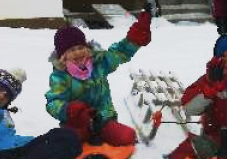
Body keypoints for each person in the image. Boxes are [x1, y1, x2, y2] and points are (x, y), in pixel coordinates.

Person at [45, 10, 152, 145]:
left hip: (104, 117)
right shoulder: (60, 76)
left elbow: (120, 52)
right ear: (63, 56)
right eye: (71, 50)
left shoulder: (99, 62)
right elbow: (53, 103)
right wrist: (70, 110)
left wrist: (135, 37)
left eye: (80, 47)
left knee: (127, 137)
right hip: (77, 122)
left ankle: (102, 133)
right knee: (67, 141)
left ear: (87, 48)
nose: (78, 52)